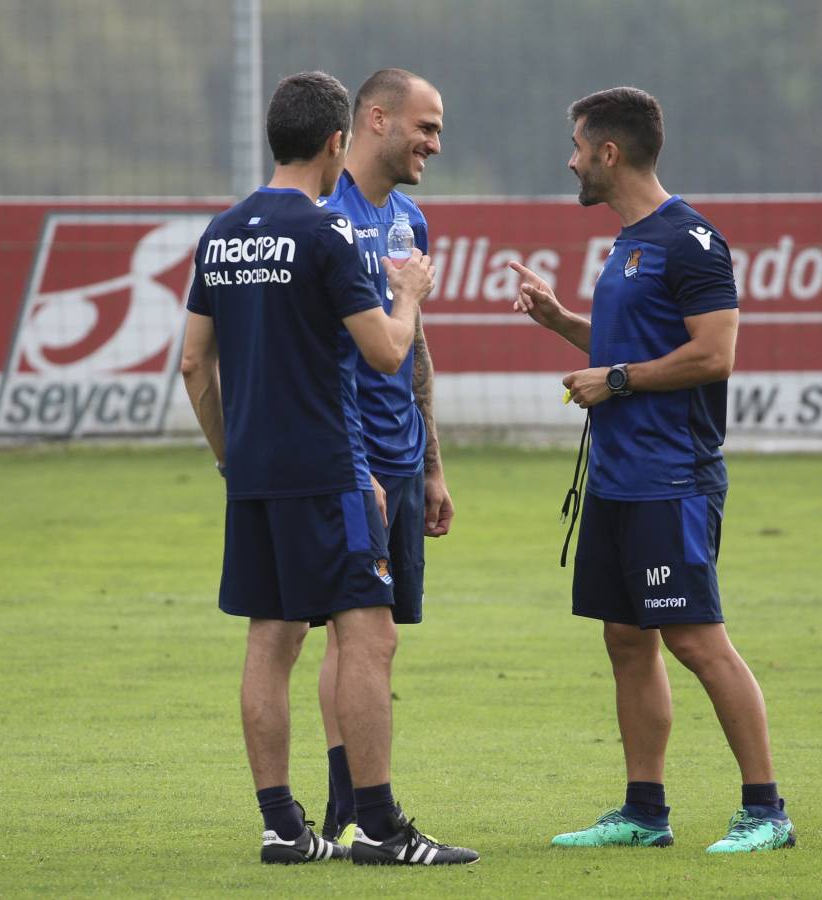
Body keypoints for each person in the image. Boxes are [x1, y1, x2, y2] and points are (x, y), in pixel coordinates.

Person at [179, 70, 477, 866]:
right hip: (335, 470)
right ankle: (379, 827)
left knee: (270, 640)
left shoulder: (222, 233)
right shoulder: (330, 235)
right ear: (337, 141)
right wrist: (408, 292)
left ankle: (284, 828)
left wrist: (227, 455)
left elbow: (192, 366)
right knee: (369, 637)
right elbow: (386, 350)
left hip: (256, 476)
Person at [510, 86, 795, 854]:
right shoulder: (626, 243)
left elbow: (714, 354)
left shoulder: (690, 241)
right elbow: (622, 355)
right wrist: (563, 322)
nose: (569, 159)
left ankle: (766, 812)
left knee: (698, 641)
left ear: (609, 152)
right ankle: (644, 813)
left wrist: (620, 381)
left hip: (673, 477)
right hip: (616, 477)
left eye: (577, 145)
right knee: (626, 639)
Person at [313, 68, 452, 848]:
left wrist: (431, 462)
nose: (434, 143)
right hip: (350, 459)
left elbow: (414, 344)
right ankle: (357, 809)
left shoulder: (408, 220)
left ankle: (349, 809)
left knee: (368, 634)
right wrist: (348, 462)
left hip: (400, 458)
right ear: (375, 118)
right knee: (357, 633)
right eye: (425, 127)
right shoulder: (324, 216)